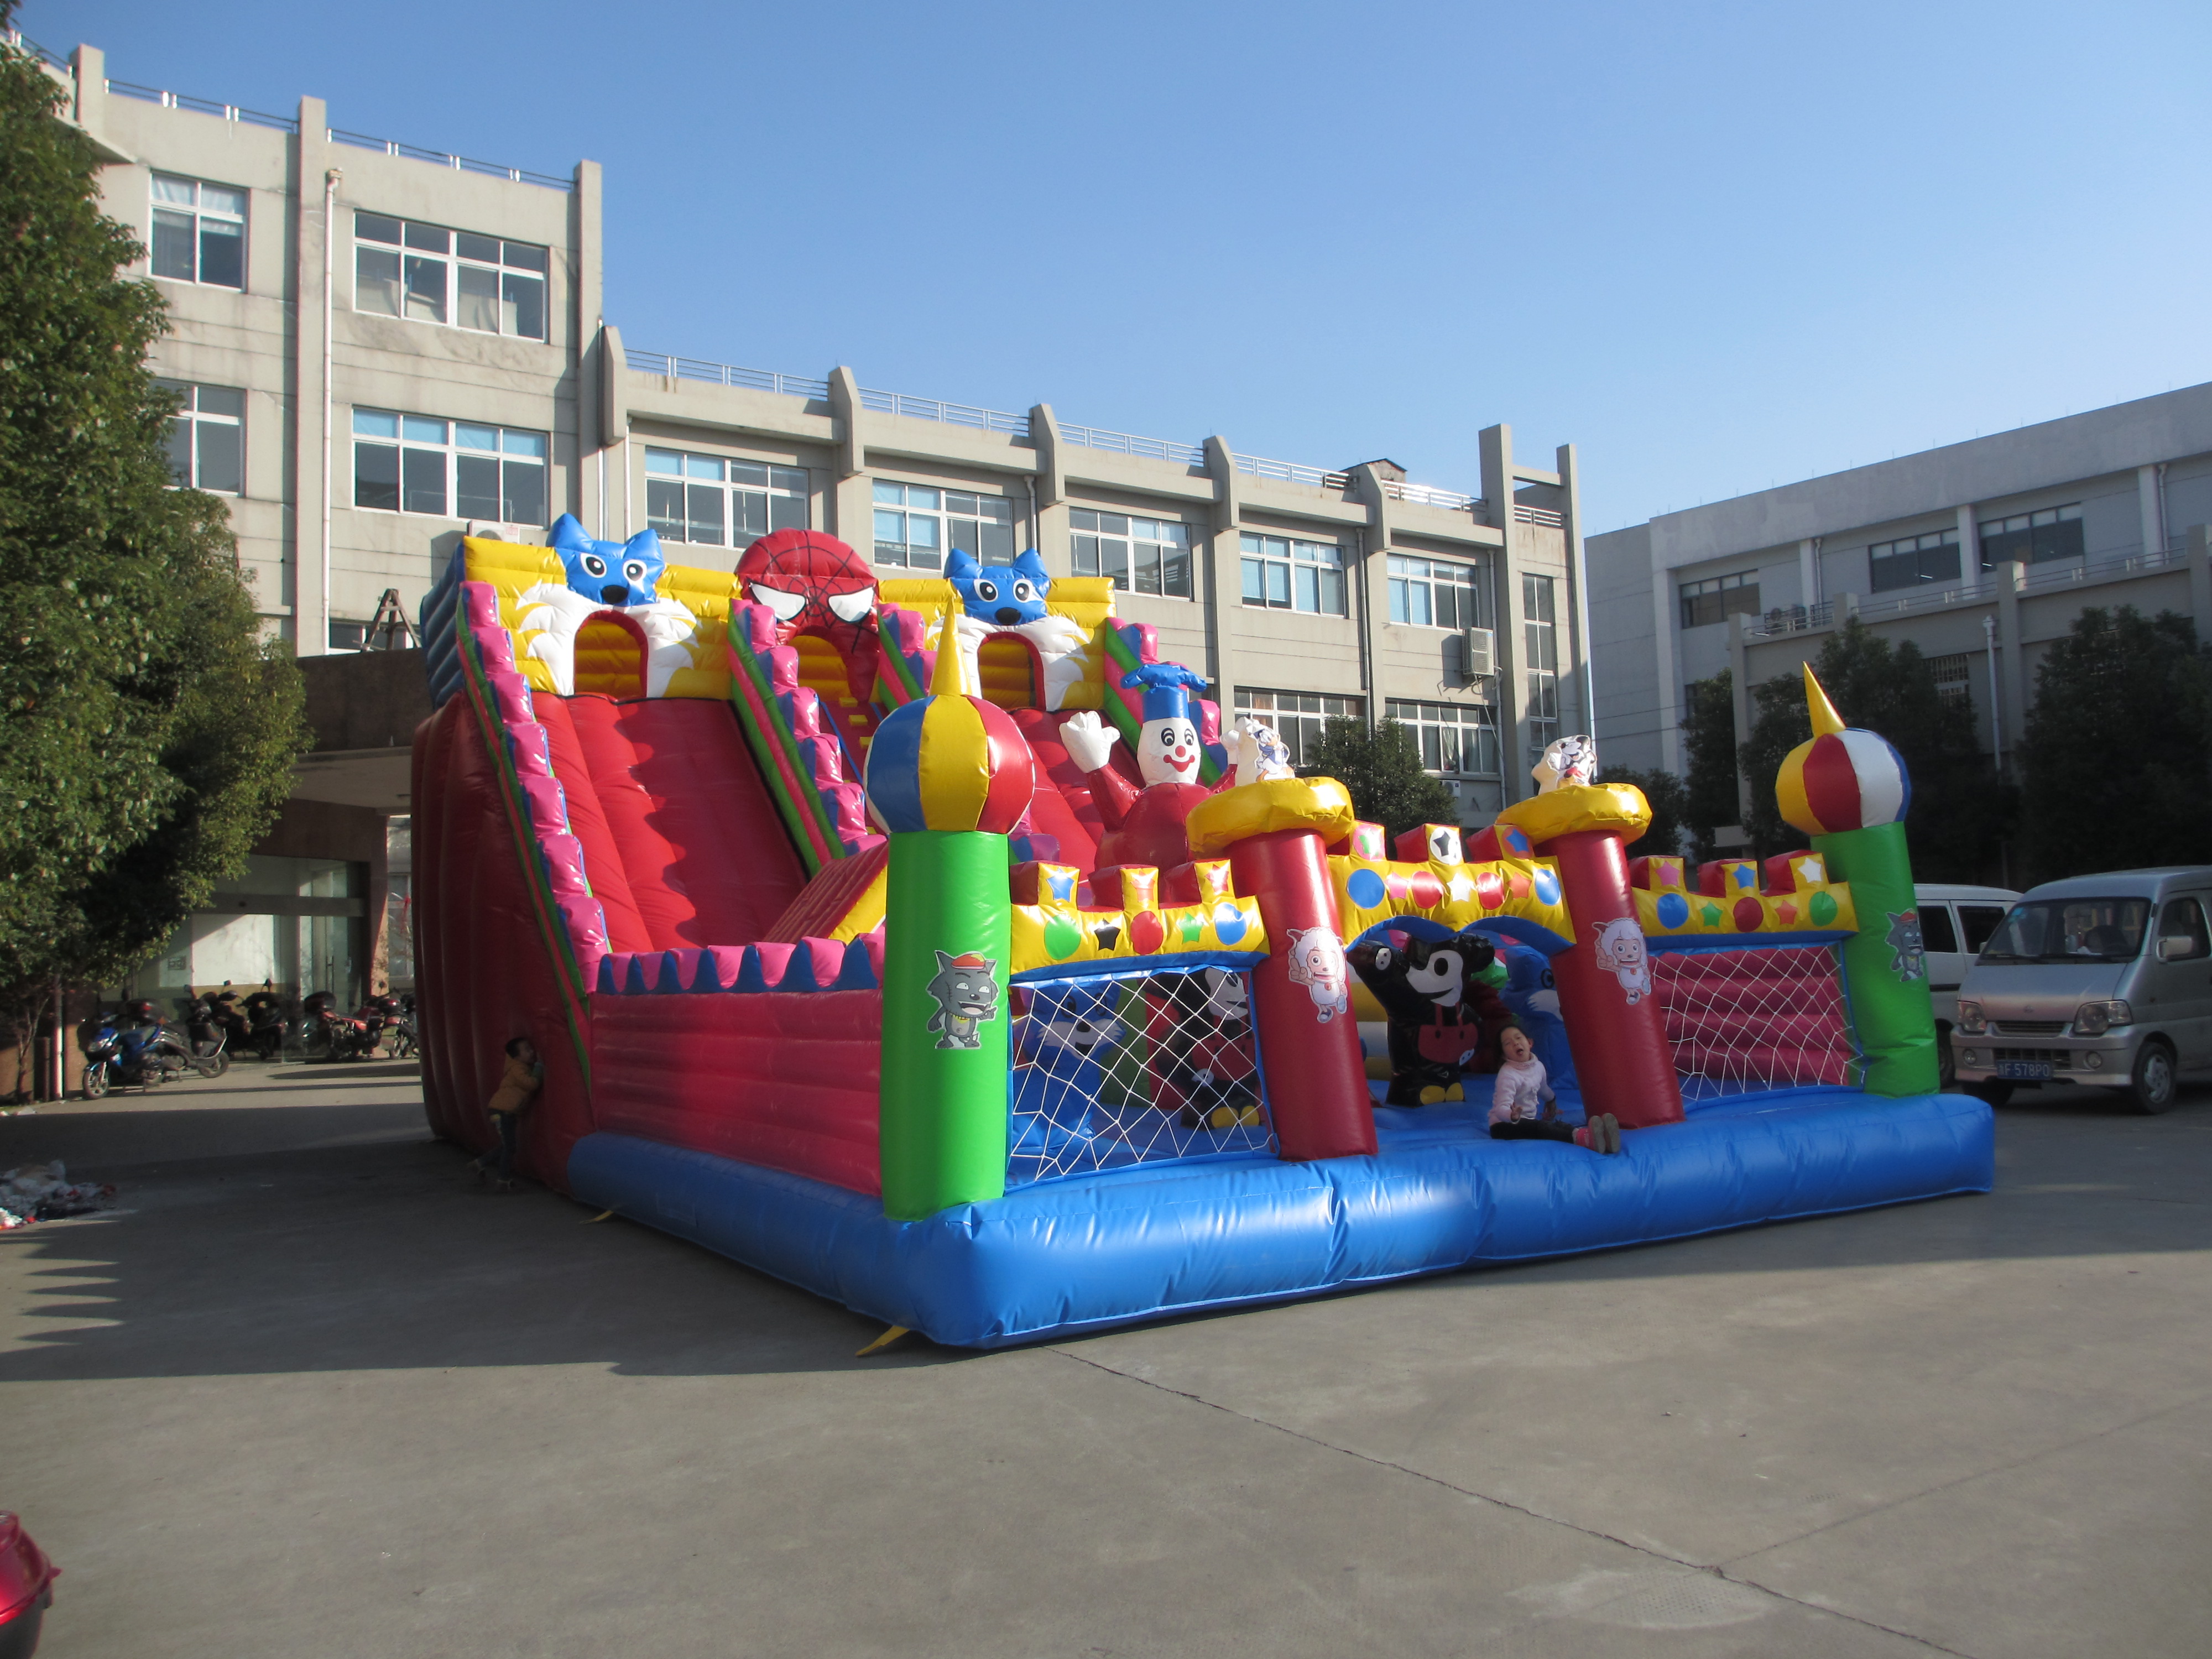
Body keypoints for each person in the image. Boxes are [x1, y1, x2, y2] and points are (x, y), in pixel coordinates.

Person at [1486, 1022, 1620, 1154]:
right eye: (1508, 1043)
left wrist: (1551, 1100)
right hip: (1503, 1125)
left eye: (1518, 1038)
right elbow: (1501, 1107)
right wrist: (1511, 1115)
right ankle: (1584, 1139)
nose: (1515, 1043)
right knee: (1541, 1128)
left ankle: (1598, 1137)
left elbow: (1543, 1088)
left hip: (1526, 1122)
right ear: (1504, 1056)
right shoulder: (1508, 1075)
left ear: (1530, 1043)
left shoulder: (1538, 1066)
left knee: (1557, 1125)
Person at [471, 1036, 542, 1191]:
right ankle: (503, 1179)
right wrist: (538, 1069)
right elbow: (531, 1084)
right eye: (527, 1050)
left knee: (508, 1146)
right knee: (509, 1147)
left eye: (531, 1048)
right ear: (516, 1057)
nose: (532, 1052)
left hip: (506, 1112)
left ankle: (481, 1163)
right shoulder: (517, 1069)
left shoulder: (520, 1067)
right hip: (502, 1112)